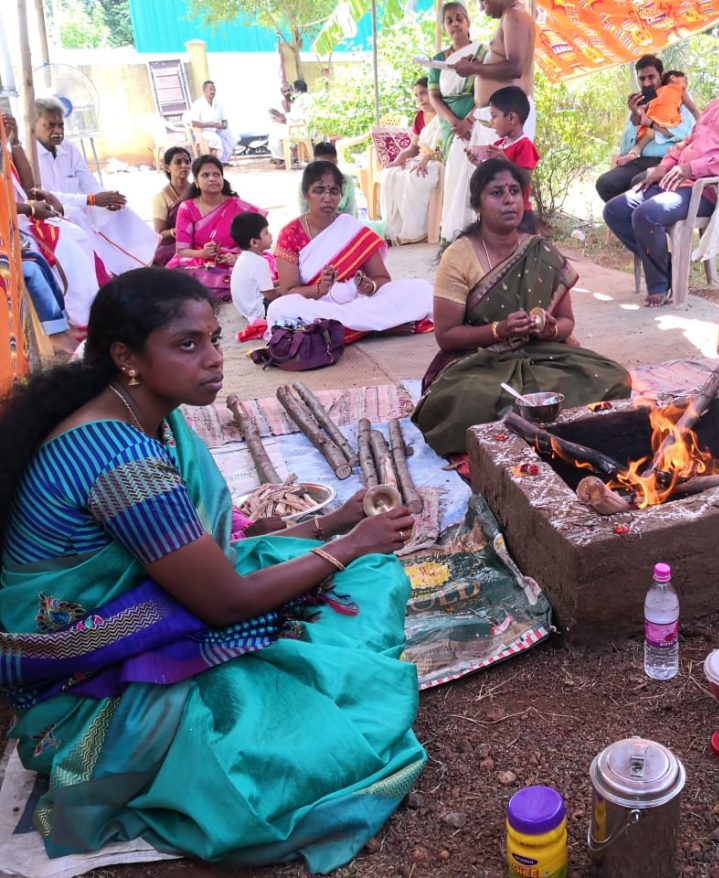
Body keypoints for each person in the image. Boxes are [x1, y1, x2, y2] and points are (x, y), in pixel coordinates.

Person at [0, 268, 425, 871]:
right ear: (127, 358)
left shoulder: (150, 417)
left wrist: (332, 527)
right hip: (86, 676)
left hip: (152, 602)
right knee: (322, 738)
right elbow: (224, 602)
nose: (215, 360)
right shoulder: (120, 460)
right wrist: (350, 545)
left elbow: (204, 549)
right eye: (187, 345)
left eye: (214, 338)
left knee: (360, 579)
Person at [412, 159, 629, 456]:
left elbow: (567, 322)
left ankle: (547, 438)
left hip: (541, 354)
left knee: (613, 378)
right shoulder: (459, 256)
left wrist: (551, 329)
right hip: (479, 360)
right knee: (468, 402)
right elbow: (446, 335)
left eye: (514, 191)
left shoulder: (541, 251)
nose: (508, 200)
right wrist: (498, 330)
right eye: (496, 192)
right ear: (477, 204)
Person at [603, 39, 719, 308]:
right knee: (616, 210)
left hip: (707, 190)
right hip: (677, 178)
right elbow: (686, 142)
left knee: (646, 213)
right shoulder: (716, 104)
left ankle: (660, 284)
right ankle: (670, 271)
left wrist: (690, 169)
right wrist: (665, 166)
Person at [268, 161, 433, 333]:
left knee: (422, 290)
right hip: (316, 305)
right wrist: (319, 288)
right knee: (280, 309)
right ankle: (375, 328)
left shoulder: (352, 229)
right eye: (319, 190)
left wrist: (369, 286)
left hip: (359, 303)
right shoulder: (291, 233)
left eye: (334, 191)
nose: (327, 198)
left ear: (340, 195)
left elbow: (382, 279)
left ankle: (350, 329)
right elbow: (288, 292)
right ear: (305, 195)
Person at [31, 97, 159, 277]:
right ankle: (103, 273)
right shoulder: (28, 154)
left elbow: (88, 181)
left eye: (61, 125)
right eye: (51, 125)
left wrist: (105, 198)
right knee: (76, 216)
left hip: (81, 205)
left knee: (119, 208)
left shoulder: (68, 148)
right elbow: (45, 196)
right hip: (50, 214)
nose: (58, 131)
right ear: (33, 125)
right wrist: (91, 200)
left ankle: (141, 263)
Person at [4, 112, 101, 333]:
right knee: (64, 249)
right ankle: (73, 321)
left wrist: (15, 142)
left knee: (78, 235)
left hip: (22, 220)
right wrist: (30, 209)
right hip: (10, 228)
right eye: (51, 125)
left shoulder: (4, 154)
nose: (57, 130)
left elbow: (28, 187)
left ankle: (87, 314)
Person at [594, 55, 696, 203]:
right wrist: (635, 114)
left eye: (651, 77)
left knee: (637, 183)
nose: (647, 83)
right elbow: (627, 145)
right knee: (605, 183)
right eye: (642, 79)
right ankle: (627, 223)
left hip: (666, 160)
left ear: (661, 75)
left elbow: (686, 132)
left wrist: (651, 124)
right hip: (639, 160)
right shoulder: (640, 101)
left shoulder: (678, 96)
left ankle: (641, 222)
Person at [166, 154, 264, 299]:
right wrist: (202, 254)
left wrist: (239, 257)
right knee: (174, 276)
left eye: (216, 174)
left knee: (259, 267)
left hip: (233, 260)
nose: (212, 178)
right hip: (199, 260)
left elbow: (260, 241)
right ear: (196, 182)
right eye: (205, 175)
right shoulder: (187, 207)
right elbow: (182, 251)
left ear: (222, 179)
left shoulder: (238, 206)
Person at [431, 1, 487, 244]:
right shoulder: (437, 60)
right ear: (444, 27)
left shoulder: (483, 54)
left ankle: (483, 233)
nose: (455, 24)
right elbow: (434, 96)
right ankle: (456, 237)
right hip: (451, 127)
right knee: (456, 175)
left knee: (480, 175)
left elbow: (489, 91)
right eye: (449, 20)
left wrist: (471, 120)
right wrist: (455, 122)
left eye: (459, 18)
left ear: (468, 22)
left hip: (481, 120)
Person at [453, 0, 536, 142]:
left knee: (501, 165)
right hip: (500, 116)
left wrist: (475, 68)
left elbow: (515, 68)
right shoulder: (511, 15)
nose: (482, 8)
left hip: (508, 116)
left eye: (483, 1)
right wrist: (479, 67)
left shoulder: (514, 15)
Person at [468, 85, 539, 234]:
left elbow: (525, 180)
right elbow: (493, 176)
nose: (491, 121)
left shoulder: (524, 145)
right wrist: (479, 164)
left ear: (512, 118)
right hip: (498, 211)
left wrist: (504, 160)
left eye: (494, 116)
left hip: (519, 213)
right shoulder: (499, 145)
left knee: (521, 252)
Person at [381, 77, 442, 245]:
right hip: (420, 158)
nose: (420, 99)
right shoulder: (420, 116)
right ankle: (396, 229)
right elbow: (413, 147)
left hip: (439, 160)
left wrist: (429, 158)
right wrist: (402, 156)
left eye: (423, 93)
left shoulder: (445, 114)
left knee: (414, 177)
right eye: (417, 95)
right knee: (390, 174)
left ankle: (417, 231)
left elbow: (446, 148)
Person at [229, 211, 275, 322]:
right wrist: (287, 289)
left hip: (244, 310)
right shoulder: (259, 262)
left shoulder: (244, 258)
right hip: (260, 311)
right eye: (266, 233)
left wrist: (282, 282)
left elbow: (261, 286)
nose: (271, 235)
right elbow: (270, 295)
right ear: (254, 242)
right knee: (292, 297)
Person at [151, 146, 191, 266]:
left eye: (187, 162)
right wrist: (176, 231)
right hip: (175, 243)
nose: (184, 165)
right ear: (167, 168)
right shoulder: (161, 197)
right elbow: (160, 233)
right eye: (178, 162)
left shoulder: (199, 191)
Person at [297, 142, 358, 218]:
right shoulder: (305, 183)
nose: (327, 170)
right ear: (314, 163)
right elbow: (304, 215)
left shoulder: (346, 181)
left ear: (336, 162)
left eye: (331, 165)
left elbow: (350, 213)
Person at [188, 80, 238, 162]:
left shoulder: (218, 103)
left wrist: (223, 125)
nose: (213, 92)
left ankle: (224, 160)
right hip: (204, 132)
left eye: (214, 89)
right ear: (204, 91)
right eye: (211, 89)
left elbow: (224, 120)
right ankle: (217, 161)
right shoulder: (198, 104)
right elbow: (194, 123)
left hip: (218, 129)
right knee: (216, 139)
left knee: (233, 136)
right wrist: (211, 124)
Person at [269, 79, 309, 167]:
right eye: (285, 91)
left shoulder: (299, 100)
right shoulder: (305, 98)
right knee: (274, 132)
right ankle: (281, 159)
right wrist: (282, 118)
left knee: (275, 134)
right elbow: (293, 116)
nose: (288, 92)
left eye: (290, 90)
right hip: (298, 126)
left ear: (296, 90)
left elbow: (295, 117)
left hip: (299, 128)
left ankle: (284, 159)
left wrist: (283, 119)